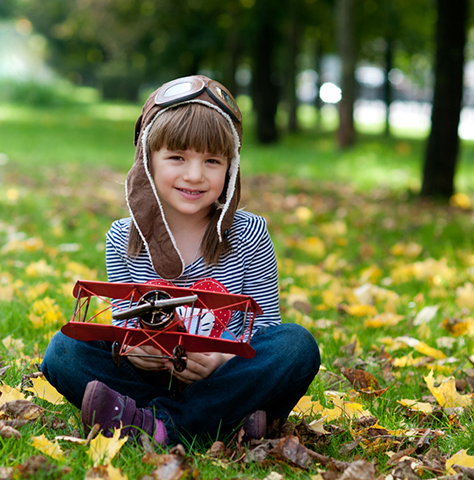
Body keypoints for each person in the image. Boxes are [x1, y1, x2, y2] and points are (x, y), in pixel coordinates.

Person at [41, 75, 320, 446]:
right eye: (176, 157)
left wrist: (222, 360)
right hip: (147, 379)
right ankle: (223, 422)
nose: (194, 175)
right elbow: (124, 324)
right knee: (64, 350)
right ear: (147, 161)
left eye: (212, 161)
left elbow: (266, 328)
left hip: (226, 377)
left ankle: (153, 425)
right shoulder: (123, 238)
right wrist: (135, 351)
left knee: (295, 346)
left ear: (231, 168)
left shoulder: (249, 234)